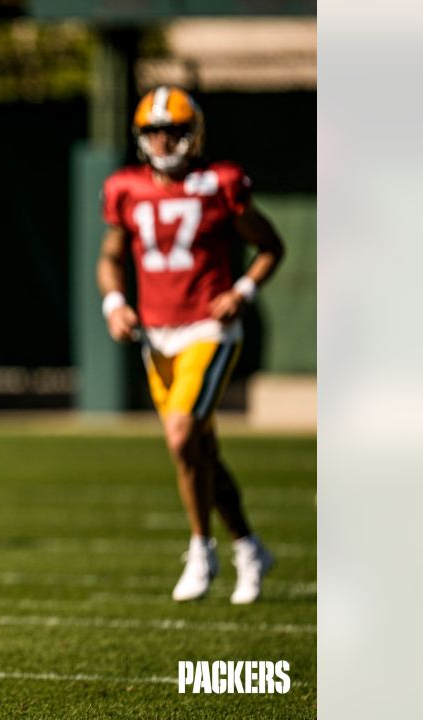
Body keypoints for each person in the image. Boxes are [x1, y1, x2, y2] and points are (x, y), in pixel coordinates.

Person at [96, 87, 287, 604]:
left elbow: (271, 246)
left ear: (194, 134)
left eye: (175, 130)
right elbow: (110, 257)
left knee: (182, 437)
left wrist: (241, 291)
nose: (165, 140)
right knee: (200, 449)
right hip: (156, 336)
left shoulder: (219, 183)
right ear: (141, 137)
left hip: (209, 329)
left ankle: (201, 547)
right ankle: (248, 546)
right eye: (156, 131)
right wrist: (115, 302)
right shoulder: (126, 188)